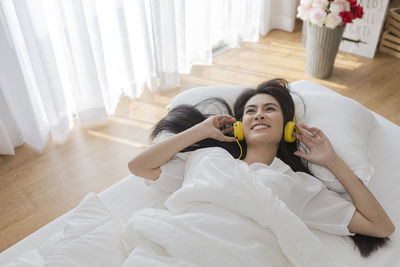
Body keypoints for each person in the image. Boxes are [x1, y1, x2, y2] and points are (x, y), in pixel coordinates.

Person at [128, 78, 395, 257]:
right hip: (178, 244)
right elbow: (139, 166)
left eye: (270, 109)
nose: (259, 114)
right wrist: (200, 131)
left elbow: (381, 226)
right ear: (239, 125)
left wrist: (333, 162)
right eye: (251, 111)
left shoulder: (298, 185)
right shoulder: (208, 158)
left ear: (288, 127)